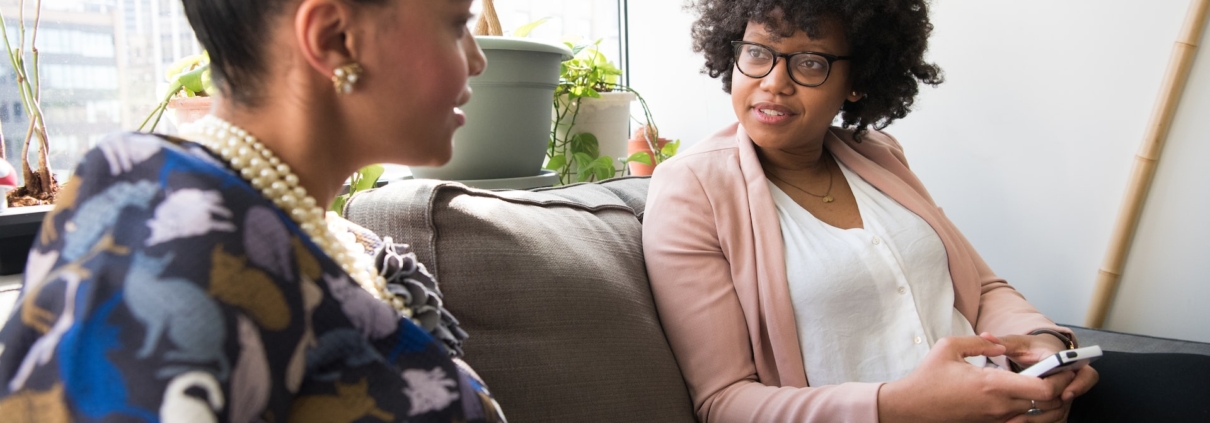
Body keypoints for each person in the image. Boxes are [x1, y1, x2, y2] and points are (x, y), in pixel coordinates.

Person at [0, 0, 506, 421]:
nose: (478, 59)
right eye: (458, 23)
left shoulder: (330, 239)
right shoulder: (169, 233)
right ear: (334, 39)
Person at [642, 1, 1098, 422]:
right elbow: (724, 401)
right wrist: (901, 406)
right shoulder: (692, 189)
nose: (774, 82)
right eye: (759, 52)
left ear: (857, 81)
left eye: (810, 63)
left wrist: (1046, 345)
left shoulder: (879, 154)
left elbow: (982, 288)